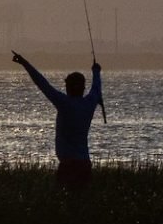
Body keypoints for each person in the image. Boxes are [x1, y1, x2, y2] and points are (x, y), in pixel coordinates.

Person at [13, 52, 102, 189]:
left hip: (67, 166)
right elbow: (96, 87)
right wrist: (96, 71)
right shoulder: (89, 103)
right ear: (83, 88)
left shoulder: (63, 102)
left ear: (68, 87)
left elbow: (42, 83)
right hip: (85, 164)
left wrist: (25, 63)